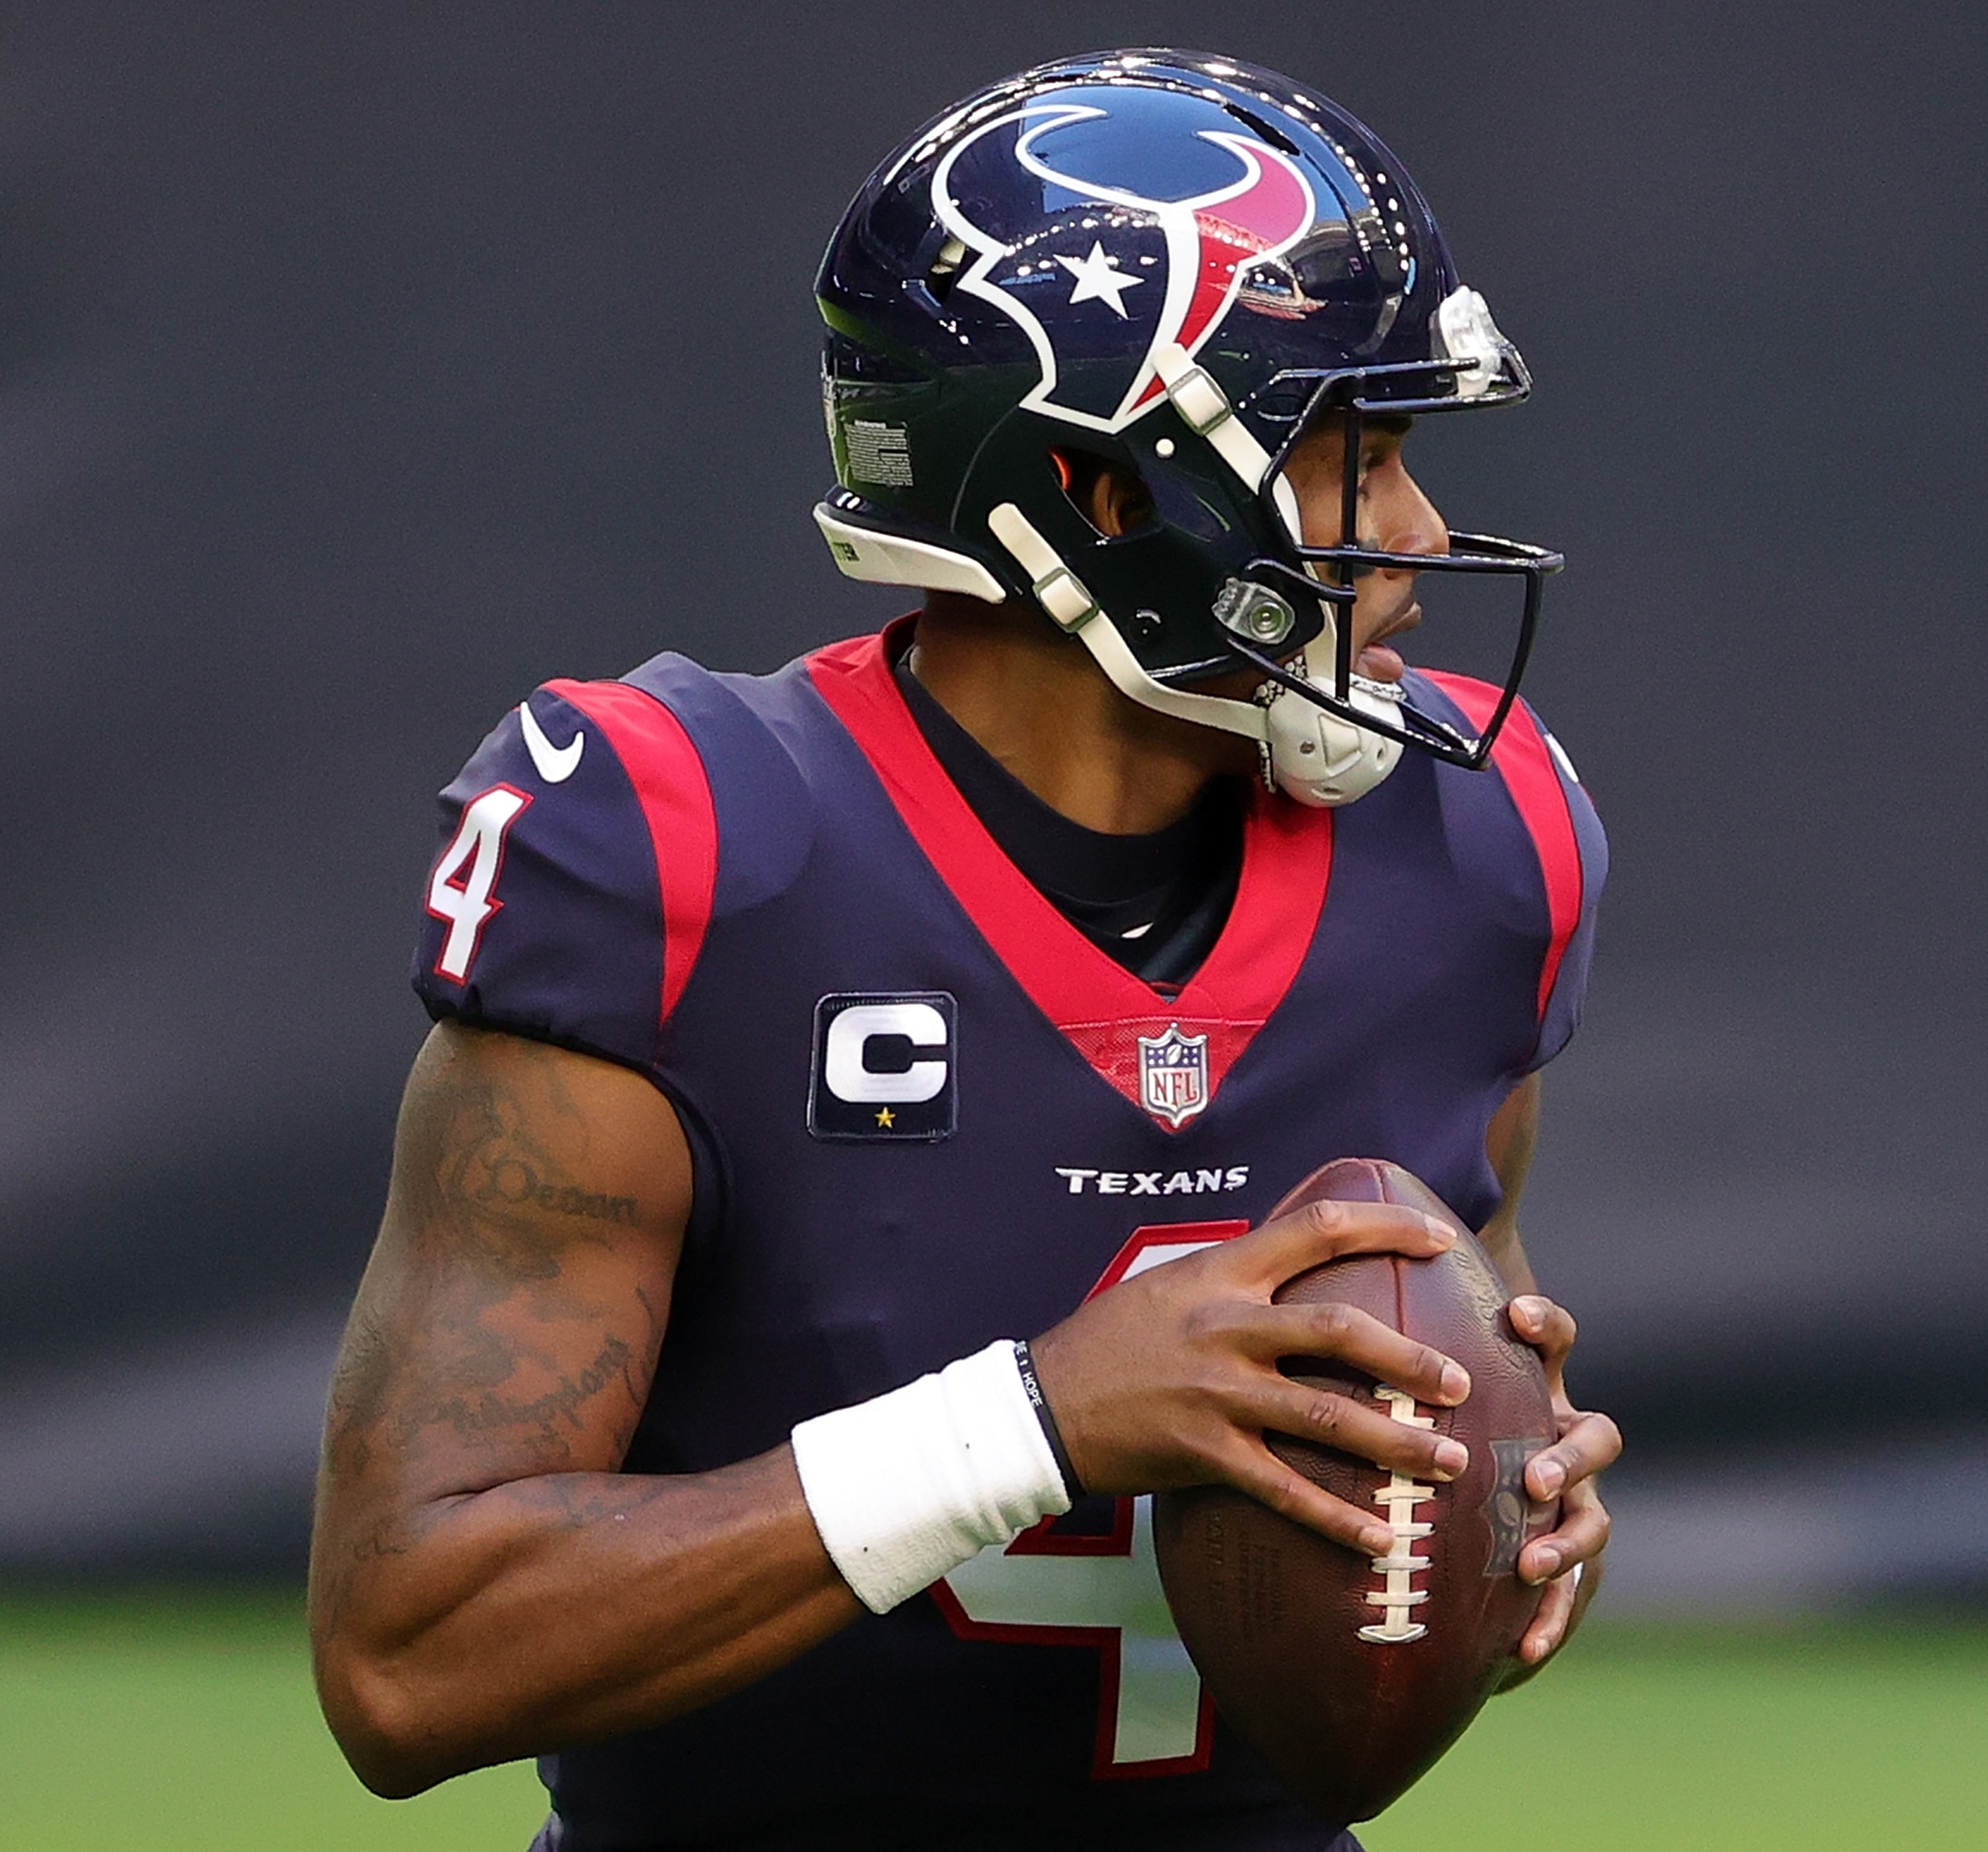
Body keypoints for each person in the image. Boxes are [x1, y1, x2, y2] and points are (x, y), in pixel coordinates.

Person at [308, 48, 1618, 1852]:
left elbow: (1439, 1384)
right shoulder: (687, 854)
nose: (1410, 539)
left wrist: (1494, 1514)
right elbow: (408, 1649)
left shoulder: (1478, 853)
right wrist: (1033, 1425)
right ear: (1104, 500)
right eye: (1355, 457)